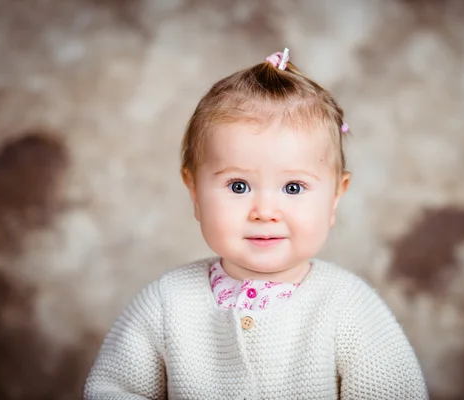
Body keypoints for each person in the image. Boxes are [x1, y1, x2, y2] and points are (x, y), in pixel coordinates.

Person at [84, 48, 428, 399]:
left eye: (293, 187)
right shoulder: (165, 303)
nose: (264, 211)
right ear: (194, 193)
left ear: (335, 198)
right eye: (238, 186)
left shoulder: (349, 307)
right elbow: (111, 389)